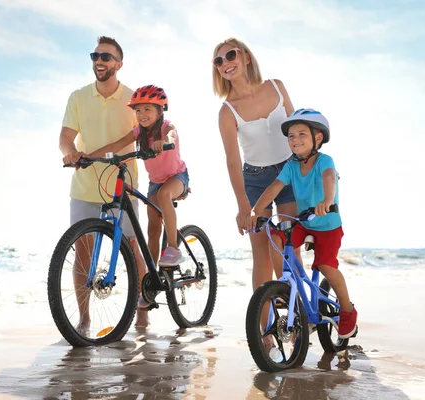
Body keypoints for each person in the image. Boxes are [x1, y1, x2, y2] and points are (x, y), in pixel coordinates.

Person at [59, 36, 149, 329]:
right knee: (82, 252)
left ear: (119, 64)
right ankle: (84, 320)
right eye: (95, 56)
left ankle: (142, 311)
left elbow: (144, 132)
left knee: (133, 248)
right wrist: (69, 153)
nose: (99, 61)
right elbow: (65, 137)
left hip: (122, 185)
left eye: (106, 57)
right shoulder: (78, 96)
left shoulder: (133, 98)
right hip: (85, 184)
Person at [247, 108, 358, 339]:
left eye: (301, 134)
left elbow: (329, 178)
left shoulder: (325, 161)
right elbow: (274, 188)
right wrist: (256, 210)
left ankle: (347, 310)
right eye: (291, 136)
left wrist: (327, 201)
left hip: (327, 226)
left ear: (318, 138)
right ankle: (285, 286)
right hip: (304, 223)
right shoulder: (291, 166)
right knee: (276, 237)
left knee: (326, 266)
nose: (295, 140)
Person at [212, 37, 299, 292]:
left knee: (288, 247)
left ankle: (294, 321)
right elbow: (232, 160)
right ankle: (264, 330)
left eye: (231, 55)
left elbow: (299, 131)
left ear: (246, 57)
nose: (225, 63)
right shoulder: (227, 111)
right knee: (261, 254)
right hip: (255, 180)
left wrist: (317, 168)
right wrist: (243, 206)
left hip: (289, 173)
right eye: (219, 61)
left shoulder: (277, 86)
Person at [87, 85, 190, 292]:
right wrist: (88, 158)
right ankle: (152, 277)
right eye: (138, 110)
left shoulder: (166, 128)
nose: (142, 115)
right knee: (152, 227)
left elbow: (172, 135)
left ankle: (174, 248)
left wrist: (164, 142)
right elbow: (117, 144)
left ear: (161, 111)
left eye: (147, 109)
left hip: (177, 177)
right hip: (156, 181)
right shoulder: (139, 132)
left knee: (164, 195)